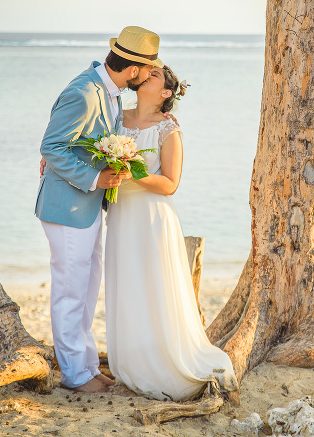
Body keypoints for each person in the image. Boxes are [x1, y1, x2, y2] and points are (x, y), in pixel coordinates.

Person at [35, 26, 163, 394]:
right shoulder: (84, 92)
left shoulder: (109, 92)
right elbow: (52, 145)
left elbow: (70, 142)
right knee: (70, 292)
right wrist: (94, 177)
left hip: (88, 209)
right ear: (134, 69)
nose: (148, 76)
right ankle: (74, 376)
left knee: (87, 289)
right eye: (148, 70)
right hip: (68, 207)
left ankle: (87, 366)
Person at [104, 64, 239, 401]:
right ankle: (133, 363)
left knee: (155, 288)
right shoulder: (117, 115)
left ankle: (164, 363)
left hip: (152, 218)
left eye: (153, 76)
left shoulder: (169, 129)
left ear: (166, 93)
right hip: (122, 215)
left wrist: (132, 172)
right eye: (145, 73)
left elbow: (170, 184)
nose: (145, 77)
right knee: (128, 286)